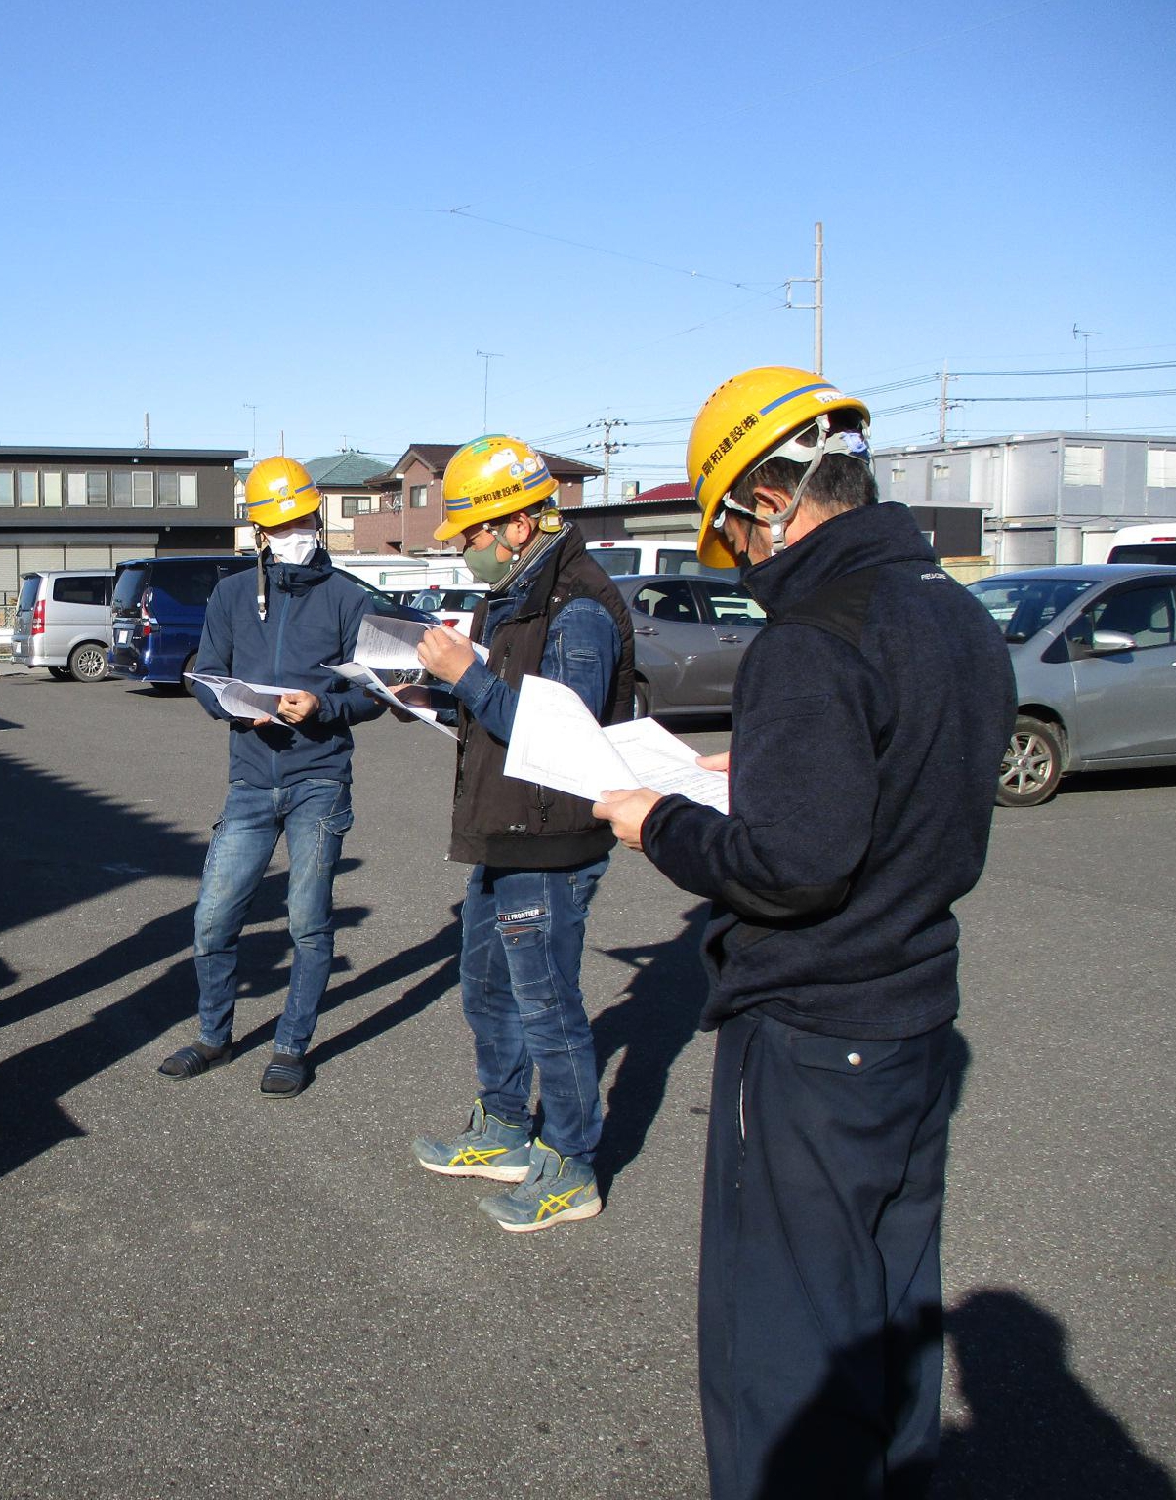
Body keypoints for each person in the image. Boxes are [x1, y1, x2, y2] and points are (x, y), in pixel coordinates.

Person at [591, 366, 1014, 1499]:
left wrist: (657, 818)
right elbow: (895, 786)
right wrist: (764, 773)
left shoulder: (808, 640)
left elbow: (790, 868)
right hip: (917, 1008)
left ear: (765, 502)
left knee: (781, 1349)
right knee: (887, 1311)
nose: (736, 553)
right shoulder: (951, 611)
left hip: (815, 1030)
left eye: (728, 529)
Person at [405, 434, 634, 1233]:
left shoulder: (577, 605)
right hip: (502, 830)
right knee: (487, 988)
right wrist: (437, 695)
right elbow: (504, 707)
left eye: (470, 535)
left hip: (552, 838)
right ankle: (503, 1127)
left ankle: (571, 1165)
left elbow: (559, 739)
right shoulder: (518, 594)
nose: (465, 552)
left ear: (519, 524)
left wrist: (465, 675)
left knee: (549, 1008)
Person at [155, 455, 385, 1097]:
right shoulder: (230, 595)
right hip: (251, 780)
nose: (295, 531)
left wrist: (325, 706)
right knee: (213, 917)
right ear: (259, 532)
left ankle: (291, 1045)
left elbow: (373, 693)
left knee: (308, 920)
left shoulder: (348, 597)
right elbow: (204, 675)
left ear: (318, 517)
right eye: (280, 524)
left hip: (319, 778)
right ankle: (213, 1035)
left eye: (303, 519)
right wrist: (233, 706)